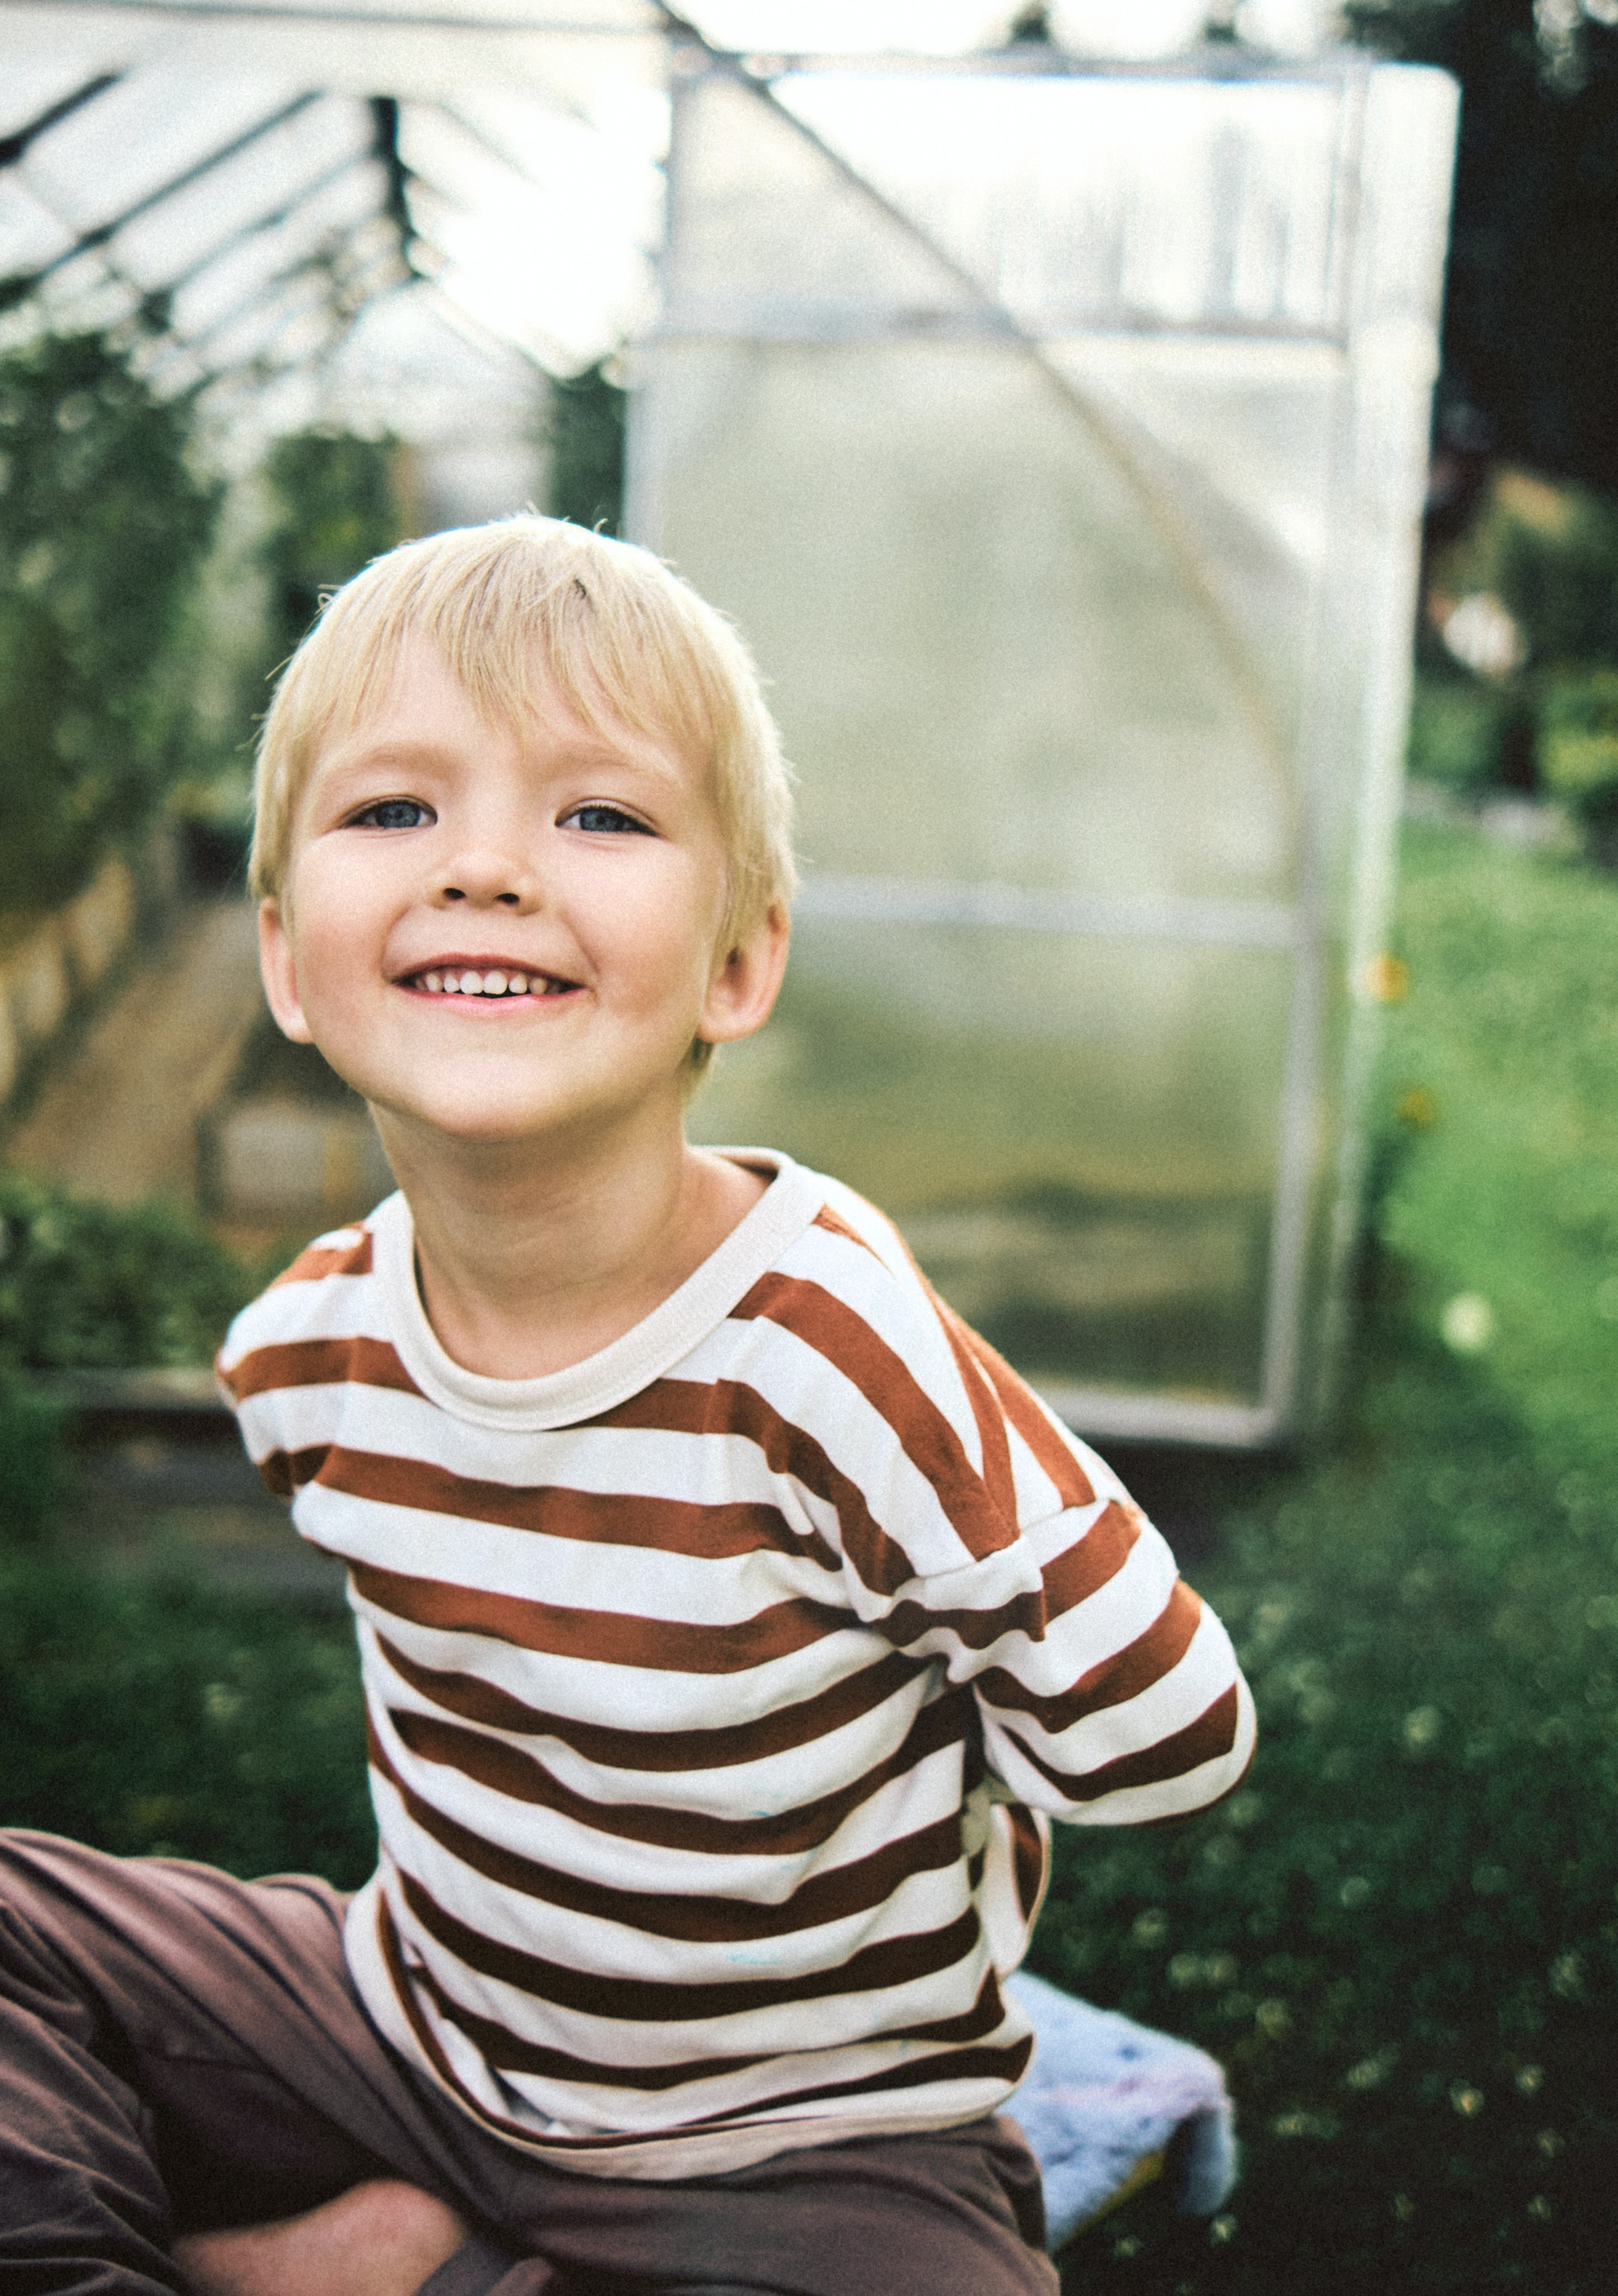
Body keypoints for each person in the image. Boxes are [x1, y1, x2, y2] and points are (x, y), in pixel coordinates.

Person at [0, 516, 1255, 2296]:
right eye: (392, 811)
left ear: (738, 966)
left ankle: (380, 2270)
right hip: (408, 2036)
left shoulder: (824, 1347)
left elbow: (1178, 1731)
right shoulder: (311, 1353)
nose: (487, 868)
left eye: (597, 815)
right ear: (288, 956)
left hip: (807, 2137)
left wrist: (971, 1595)